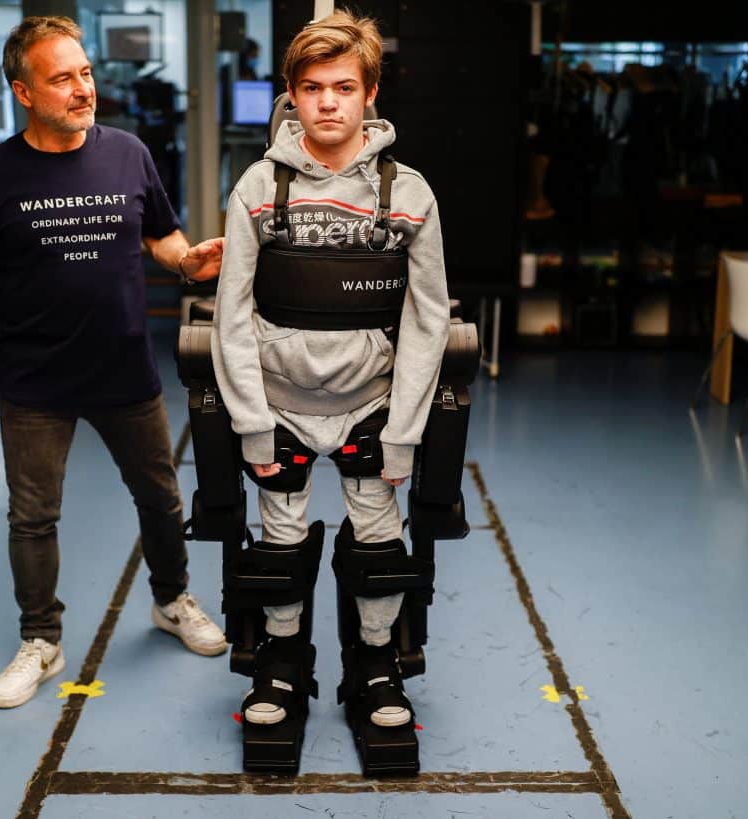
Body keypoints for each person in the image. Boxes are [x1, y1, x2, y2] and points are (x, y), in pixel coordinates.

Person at [0, 15, 228, 710]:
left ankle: (171, 600)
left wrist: (186, 260)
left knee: (159, 496)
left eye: (86, 73)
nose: (82, 89)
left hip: (124, 368)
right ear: (24, 92)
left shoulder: (128, 153)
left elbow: (160, 233)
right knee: (32, 517)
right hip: (36, 379)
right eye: (62, 78)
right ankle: (41, 638)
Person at [211, 11, 451, 747]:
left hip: (370, 406)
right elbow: (231, 314)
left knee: (379, 546)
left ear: (369, 92)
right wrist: (252, 421)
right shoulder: (257, 186)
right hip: (280, 403)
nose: (327, 103)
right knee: (278, 544)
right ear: (291, 91)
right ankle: (281, 662)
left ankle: (376, 665)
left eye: (344, 87)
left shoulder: (408, 194)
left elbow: (428, 318)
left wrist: (405, 433)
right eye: (311, 87)